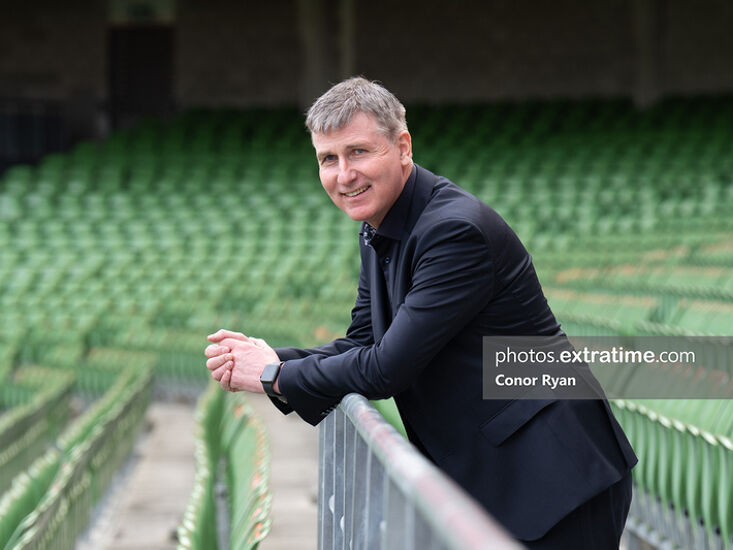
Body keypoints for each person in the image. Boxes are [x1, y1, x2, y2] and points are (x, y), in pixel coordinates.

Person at [204, 77, 637, 549]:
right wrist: (276, 360)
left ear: (402, 146)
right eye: (329, 159)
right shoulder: (379, 224)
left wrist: (274, 376)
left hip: (556, 480)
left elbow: (388, 367)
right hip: (500, 477)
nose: (344, 174)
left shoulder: (454, 231)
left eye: (359, 152)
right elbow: (364, 342)